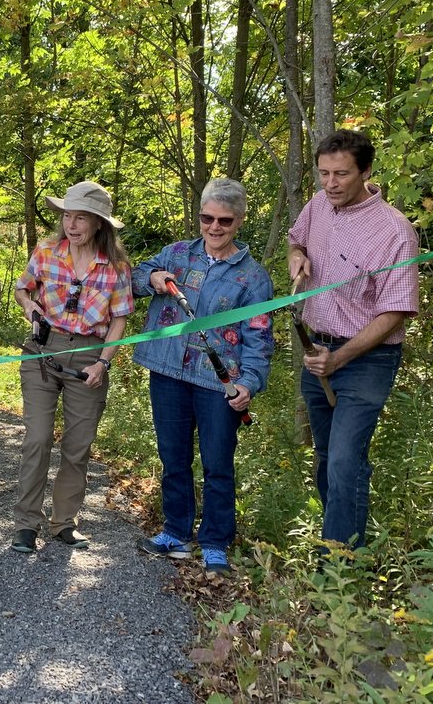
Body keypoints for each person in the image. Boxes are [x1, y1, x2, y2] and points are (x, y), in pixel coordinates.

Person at [133, 178, 273, 577]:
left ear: (239, 221)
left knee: (217, 463)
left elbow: (259, 336)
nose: (214, 227)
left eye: (224, 221)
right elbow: (135, 278)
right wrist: (152, 279)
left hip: (218, 380)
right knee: (173, 457)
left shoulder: (253, 278)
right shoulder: (176, 254)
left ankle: (215, 541)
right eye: (206, 218)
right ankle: (175, 532)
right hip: (169, 372)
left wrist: (249, 382)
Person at [288, 129, 419, 550]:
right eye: (324, 173)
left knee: (346, 461)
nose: (331, 184)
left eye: (341, 174)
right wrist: (298, 258)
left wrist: (340, 359)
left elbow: (395, 311)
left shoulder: (394, 231)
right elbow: (296, 240)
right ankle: (341, 548)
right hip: (316, 350)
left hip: (366, 359)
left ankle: (340, 567)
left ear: (365, 171)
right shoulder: (318, 206)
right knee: (326, 456)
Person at [11, 181, 133, 554]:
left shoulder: (116, 266)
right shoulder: (47, 251)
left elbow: (119, 320)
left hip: (89, 357)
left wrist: (102, 363)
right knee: (38, 438)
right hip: (42, 351)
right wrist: (30, 307)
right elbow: (22, 289)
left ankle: (64, 522)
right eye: (67, 215)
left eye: (82, 218)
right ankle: (26, 524)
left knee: (78, 446)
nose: (72, 224)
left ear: (99, 224)